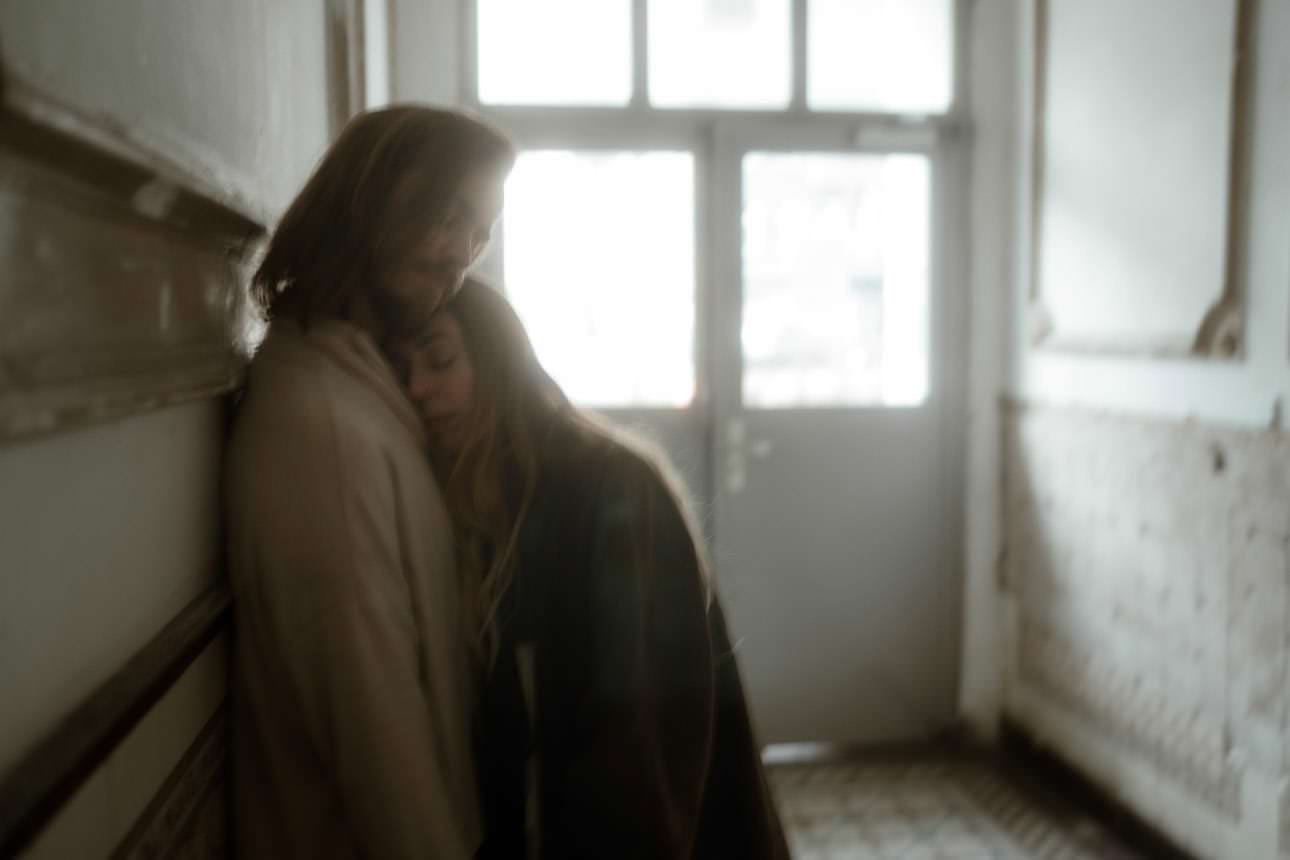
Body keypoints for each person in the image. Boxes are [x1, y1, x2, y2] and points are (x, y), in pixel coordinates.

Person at [396, 280, 791, 859]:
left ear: (500, 362)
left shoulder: (609, 486)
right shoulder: (486, 494)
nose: (418, 388)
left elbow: (641, 741)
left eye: (441, 359)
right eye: (402, 371)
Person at [224, 106, 515, 859]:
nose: (461, 253)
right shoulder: (323, 422)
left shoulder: (363, 393)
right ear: (371, 195)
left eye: (479, 232)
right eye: (449, 215)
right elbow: (374, 723)